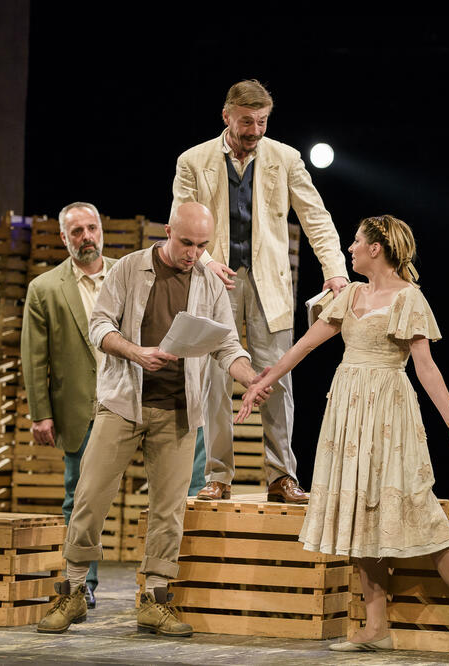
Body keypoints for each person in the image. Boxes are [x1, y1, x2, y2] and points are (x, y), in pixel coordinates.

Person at [237, 215, 449, 658]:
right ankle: (376, 626)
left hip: (388, 411)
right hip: (347, 411)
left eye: (356, 241)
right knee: (360, 509)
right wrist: (261, 382)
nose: (351, 249)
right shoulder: (350, 295)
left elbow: (426, 367)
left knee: (421, 509)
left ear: (376, 248)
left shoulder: (409, 298)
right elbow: (305, 344)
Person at [36, 202, 267, 635]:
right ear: (168, 231)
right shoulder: (129, 268)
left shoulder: (209, 283)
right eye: (186, 243)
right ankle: (73, 590)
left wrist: (250, 376)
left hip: (178, 410)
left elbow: (227, 345)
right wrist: (137, 353)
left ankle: (154, 599)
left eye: (202, 246)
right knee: (90, 497)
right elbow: (100, 326)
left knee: (168, 510)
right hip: (123, 403)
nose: (193, 254)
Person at [171, 79, 348, 504]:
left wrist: (335, 271)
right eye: (247, 121)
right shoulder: (193, 160)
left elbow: (316, 217)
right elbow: (180, 219)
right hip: (216, 280)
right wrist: (206, 261)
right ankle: (218, 475)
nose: (254, 130)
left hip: (269, 284)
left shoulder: (285, 158)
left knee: (277, 377)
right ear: (227, 116)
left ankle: (282, 475)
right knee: (215, 379)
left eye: (262, 122)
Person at [22, 201, 116, 609]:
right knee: (80, 497)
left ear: (101, 230)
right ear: (64, 238)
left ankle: (156, 584)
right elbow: (34, 357)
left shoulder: (126, 275)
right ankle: (82, 582)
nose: (86, 237)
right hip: (80, 408)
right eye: (77, 231)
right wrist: (41, 414)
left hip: (130, 401)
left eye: (91, 228)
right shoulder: (45, 289)